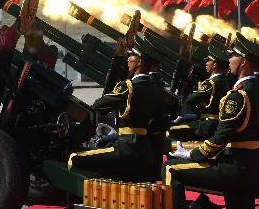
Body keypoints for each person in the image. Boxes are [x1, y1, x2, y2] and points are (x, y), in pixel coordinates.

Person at [164, 33, 259, 209]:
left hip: (233, 167)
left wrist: (191, 154)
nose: (229, 61)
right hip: (251, 164)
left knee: (170, 168)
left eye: (233, 56)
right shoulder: (256, 88)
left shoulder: (238, 95)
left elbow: (220, 138)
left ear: (243, 62)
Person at [68, 35, 177, 182]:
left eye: (131, 57)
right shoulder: (157, 89)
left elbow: (99, 106)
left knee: (74, 158)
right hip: (146, 150)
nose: (128, 60)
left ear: (139, 62)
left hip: (126, 147)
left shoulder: (128, 87)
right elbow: (161, 123)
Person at [168, 40, 237, 142]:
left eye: (208, 60)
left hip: (207, 126)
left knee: (171, 130)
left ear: (214, 65)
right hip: (215, 124)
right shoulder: (225, 82)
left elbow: (190, 100)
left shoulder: (212, 83)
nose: (206, 63)